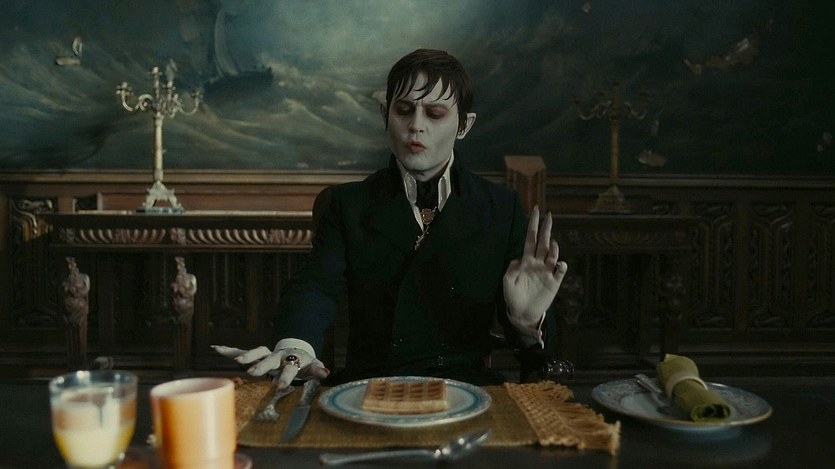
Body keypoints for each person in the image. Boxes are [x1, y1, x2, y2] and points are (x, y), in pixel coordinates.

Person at [213, 48, 567, 387]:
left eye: (435, 113)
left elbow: (537, 351)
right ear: (386, 115)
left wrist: (527, 322)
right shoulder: (348, 204)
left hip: (468, 392)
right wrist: (296, 347)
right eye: (404, 110)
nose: (416, 126)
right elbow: (315, 288)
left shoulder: (500, 208)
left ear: (464, 125)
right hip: (367, 390)